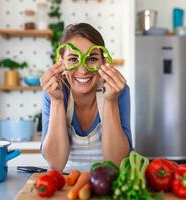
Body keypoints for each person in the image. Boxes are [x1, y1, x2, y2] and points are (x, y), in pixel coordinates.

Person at [40, 23, 132, 171]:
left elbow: (116, 162)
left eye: (92, 59)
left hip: (108, 186)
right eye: (73, 59)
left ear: (104, 62)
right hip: (67, 186)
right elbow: (56, 164)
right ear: (61, 63)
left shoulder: (117, 90)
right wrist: (57, 101)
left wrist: (111, 101)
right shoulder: (53, 92)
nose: (83, 71)